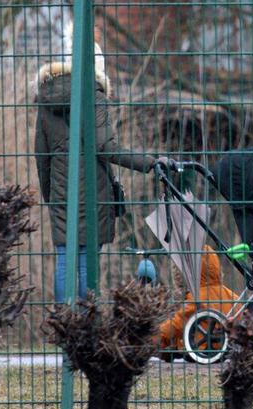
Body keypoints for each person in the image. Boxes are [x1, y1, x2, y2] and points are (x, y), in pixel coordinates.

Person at [34, 25, 168, 302]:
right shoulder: (94, 97)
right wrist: (149, 162)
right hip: (93, 193)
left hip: (61, 193)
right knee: (85, 264)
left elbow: (42, 156)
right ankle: (85, 326)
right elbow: (106, 147)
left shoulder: (46, 100)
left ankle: (65, 326)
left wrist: (52, 197)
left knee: (64, 261)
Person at [158, 245, 239, 359]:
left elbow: (176, 325)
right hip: (229, 348)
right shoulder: (233, 296)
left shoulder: (197, 298)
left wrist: (153, 338)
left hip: (204, 349)